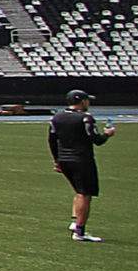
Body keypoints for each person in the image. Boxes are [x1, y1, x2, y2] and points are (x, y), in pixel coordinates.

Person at [48, 89, 115, 241]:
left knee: (79, 191)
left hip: (64, 159)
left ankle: (75, 221)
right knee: (85, 194)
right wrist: (108, 134)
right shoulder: (85, 118)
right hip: (82, 159)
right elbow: (97, 140)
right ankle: (80, 231)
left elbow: (52, 140)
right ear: (82, 101)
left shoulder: (57, 117)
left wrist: (57, 160)